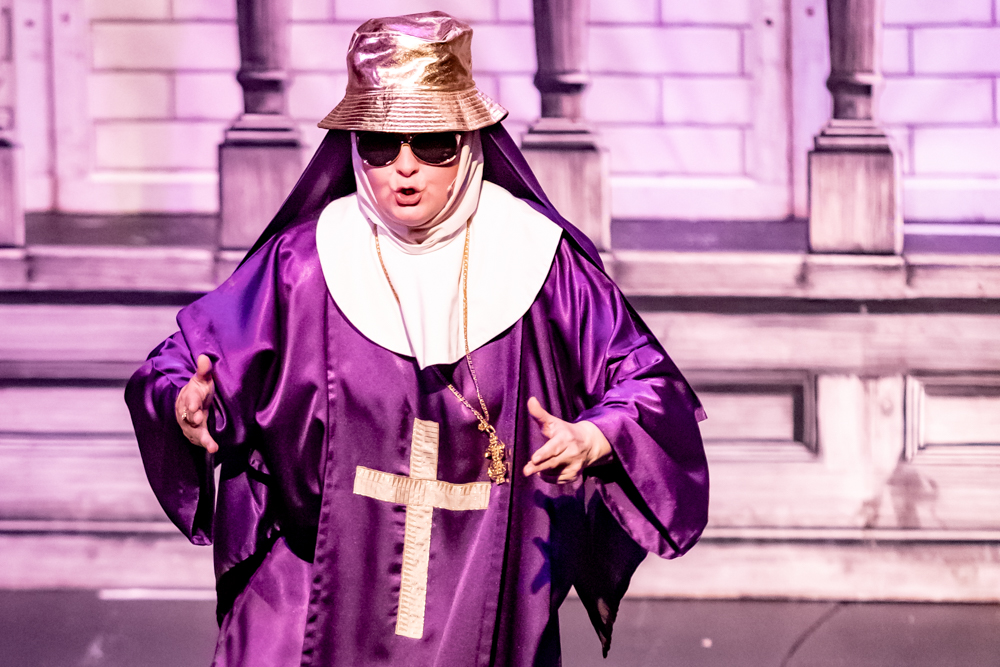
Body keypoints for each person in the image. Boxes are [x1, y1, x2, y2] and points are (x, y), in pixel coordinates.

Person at [125, 11, 709, 667]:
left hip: (485, 584)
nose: (405, 169)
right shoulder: (303, 264)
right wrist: (185, 404)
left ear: (471, 141)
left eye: (432, 143)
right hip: (318, 579)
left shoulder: (541, 261)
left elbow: (648, 385)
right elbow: (180, 365)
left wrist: (598, 435)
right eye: (380, 145)